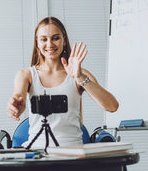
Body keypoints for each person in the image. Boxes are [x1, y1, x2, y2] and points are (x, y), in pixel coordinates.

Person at [7, 17, 119, 148]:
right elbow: (18, 96)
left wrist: (80, 77)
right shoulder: (26, 75)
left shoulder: (81, 74)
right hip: (38, 154)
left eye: (55, 38)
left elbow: (112, 106)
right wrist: (16, 106)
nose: (49, 45)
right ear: (37, 42)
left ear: (64, 40)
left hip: (72, 153)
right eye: (43, 39)